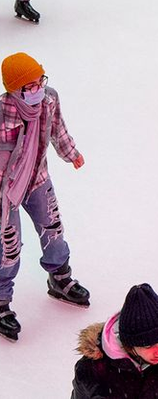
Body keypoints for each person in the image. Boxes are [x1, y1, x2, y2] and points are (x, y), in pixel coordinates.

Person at [0, 52, 89, 342]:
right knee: (8, 247)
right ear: (14, 89)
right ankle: (1, 302)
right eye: (30, 86)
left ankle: (60, 277)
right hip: (5, 192)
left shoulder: (49, 99)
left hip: (37, 179)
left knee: (53, 228)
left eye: (40, 80)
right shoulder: (2, 112)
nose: (38, 89)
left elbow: (57, 130)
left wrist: (70, 153)